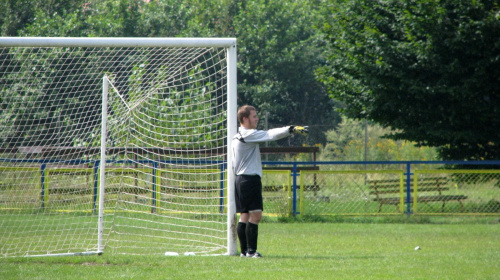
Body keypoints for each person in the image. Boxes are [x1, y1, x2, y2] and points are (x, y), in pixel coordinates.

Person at [232, 105, 308, 258]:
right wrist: (290, 129)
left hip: (241, 179)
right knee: (256, 216)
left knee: (244, 216)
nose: (257, 118)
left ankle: (244, 252)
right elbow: (270, 135)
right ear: (245, 119)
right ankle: (251, 252)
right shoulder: (248, 134)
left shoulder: (237, 135)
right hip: (249, 179)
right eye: (254, 116)